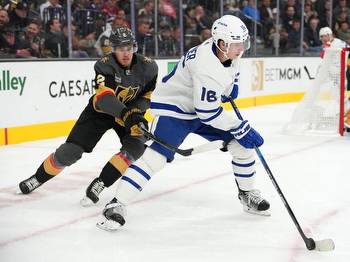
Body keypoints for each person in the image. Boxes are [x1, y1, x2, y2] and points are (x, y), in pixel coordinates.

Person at [96, 15, 270, 231]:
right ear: (222, 43)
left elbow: (231, 69)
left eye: (243, 42)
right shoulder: (208, 66)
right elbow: (208, 113)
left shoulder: (224, 49)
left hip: (200, 106)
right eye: (237, 44)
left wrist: (231, 85)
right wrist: (239, 126)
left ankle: (246, 194)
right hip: (175, 108)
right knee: (155, 158)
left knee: (242, 146)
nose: (242, 48)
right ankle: (116, 204)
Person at [18, 27, 158, 208]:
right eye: (121, 48)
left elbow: (145, 96)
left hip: (128, 114)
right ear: (113, 49)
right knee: (71, 152)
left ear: (135, 47)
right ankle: (37, 178)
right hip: (99, 113)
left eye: (129, 47)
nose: (126, 53)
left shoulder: (149, 67)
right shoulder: (104, 65)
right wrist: (127, 114)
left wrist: (137, 114)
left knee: (135, 148)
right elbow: (105, 98)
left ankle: (100, 183)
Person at [319, 26, 350, 128]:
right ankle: (346, 116)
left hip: (339, 75)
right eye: (321, 37)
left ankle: (347, 116)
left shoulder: (337, 43)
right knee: (339, 97)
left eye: (323, 36)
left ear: (329, 34)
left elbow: (344, 53)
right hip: (335, 77)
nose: (322, 39)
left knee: (341, 97)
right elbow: (324, 58)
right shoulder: (328, 45)